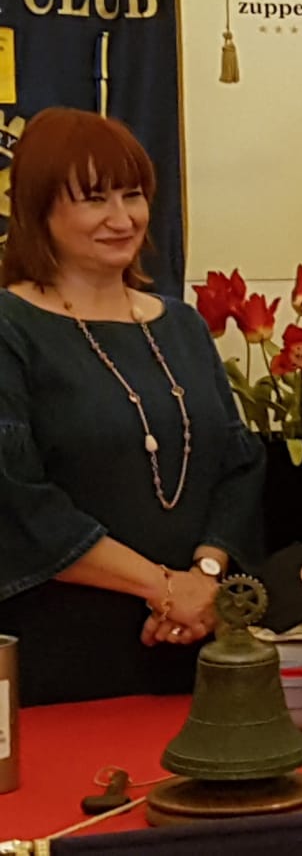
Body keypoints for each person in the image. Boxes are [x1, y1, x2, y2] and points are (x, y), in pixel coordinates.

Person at [0, 108, 264, 706]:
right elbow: (15, 497)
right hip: (59, 650)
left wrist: (205, 579)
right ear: (39, 210)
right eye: (95, 200)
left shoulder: (183, 326)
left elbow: (238, 465)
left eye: (133, 195)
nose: (123, 219)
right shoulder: (11, 326)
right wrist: (162, 587)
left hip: (195, 637)